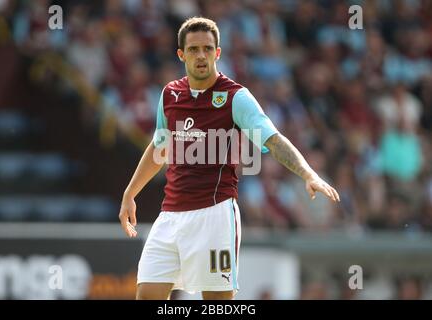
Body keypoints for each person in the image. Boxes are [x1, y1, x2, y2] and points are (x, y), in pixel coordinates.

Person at [118, 17, 340, 300]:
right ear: (181, 54)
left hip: (215, 217)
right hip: (170, 216)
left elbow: (273, 140)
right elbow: (159, 147)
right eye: (194, 49)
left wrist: (308, 174)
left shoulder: (236, 97)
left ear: (218, 53)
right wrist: (130, 193)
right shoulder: (170, 94)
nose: (201, 56)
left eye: (208, 49)